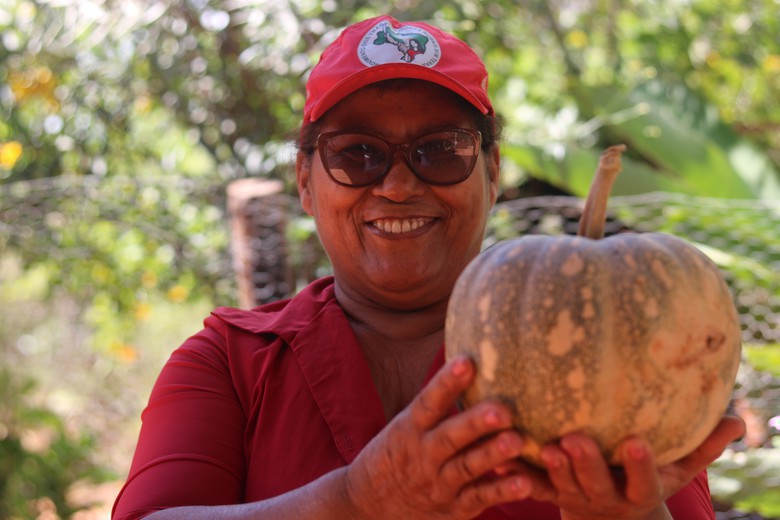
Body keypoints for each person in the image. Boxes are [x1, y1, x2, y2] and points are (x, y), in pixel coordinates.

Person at [112, 15, 744, 520]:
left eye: (439, 151)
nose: (396, 185)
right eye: (356, 155)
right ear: (306, 181)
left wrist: (619, 515)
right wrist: (357, 503)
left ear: (492, 172)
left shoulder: (614, 338)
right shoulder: (229, 360)